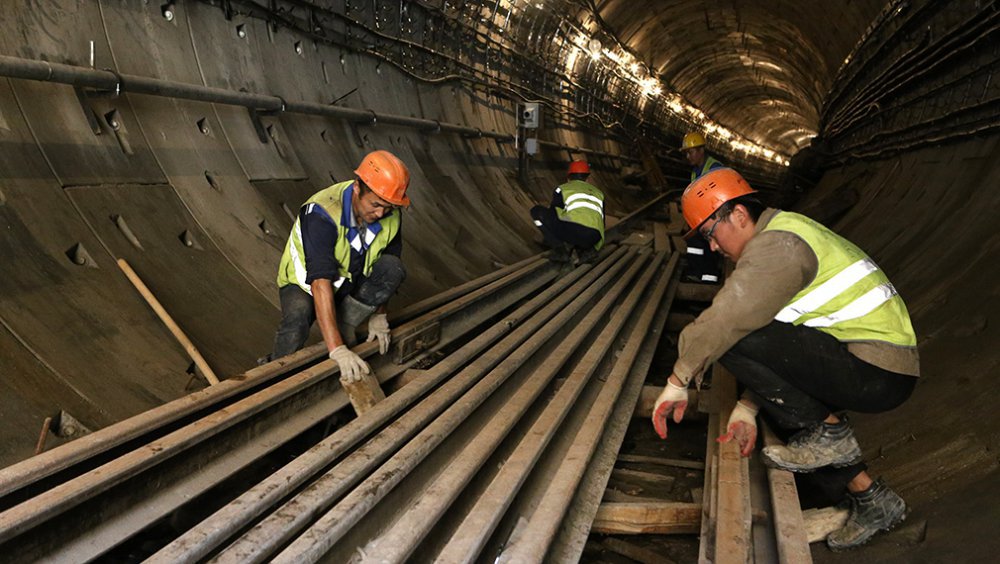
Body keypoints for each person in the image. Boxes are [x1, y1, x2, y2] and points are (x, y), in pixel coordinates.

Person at [651, 168, 918, 551]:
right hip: (868, 362)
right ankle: (873, 499)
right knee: (796, 417)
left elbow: (727, 320)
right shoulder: (780, 239)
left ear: (739, 216)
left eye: (710, 233)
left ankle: (832, 434)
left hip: (877, 367)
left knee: (730, 335)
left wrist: (676, 383)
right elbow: (785, 359)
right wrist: (747, 407)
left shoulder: (779, 246)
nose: (711, 247)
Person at [270, 150, 409, 382]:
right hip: (306, 283)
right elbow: (320, 282)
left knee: (392, 268)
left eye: (389, 207)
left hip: (348, 279)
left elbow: (389, 260)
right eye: (375, 204)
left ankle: (345, 326)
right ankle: (274, 377)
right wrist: (337, 350)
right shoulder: (322, 213)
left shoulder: (388, 212)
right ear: (357, 188)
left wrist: (379, 314)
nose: (381, 213)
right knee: (298, 318)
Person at [530, 160, 605, 262]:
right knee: (583, 224)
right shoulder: (599, 193)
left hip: (573, 232)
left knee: (536, 211)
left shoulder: (562, 189)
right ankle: (587, 251)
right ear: (587, 178)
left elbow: (555, 213)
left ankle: (560, 251)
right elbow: (602, 223)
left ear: (568, 177)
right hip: (594, 237)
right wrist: (596, 248)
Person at [680, 132, 724, 284]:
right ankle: (696, 273)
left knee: (709, 248)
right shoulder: (695, 171)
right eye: (686, 153)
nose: (688, 157)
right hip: (702, 217)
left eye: (690, 152)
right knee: (695, 244)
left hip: (714, 217)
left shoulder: (714, 167)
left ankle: (709, 279)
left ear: (701, 151)